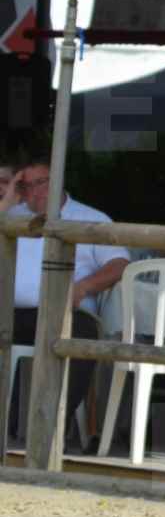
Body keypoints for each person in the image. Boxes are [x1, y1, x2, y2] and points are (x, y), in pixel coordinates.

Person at [0, 153, 129, 441]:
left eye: (41, 182)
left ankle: (47, 428)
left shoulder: (90, 219)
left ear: (57, 180)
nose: (34, 192)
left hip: (67, 312)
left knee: (82, 335)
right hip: (13, 312)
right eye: (26, 185)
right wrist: (8, 200)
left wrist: (83, 287)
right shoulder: (12, 217)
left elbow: (120, 265)